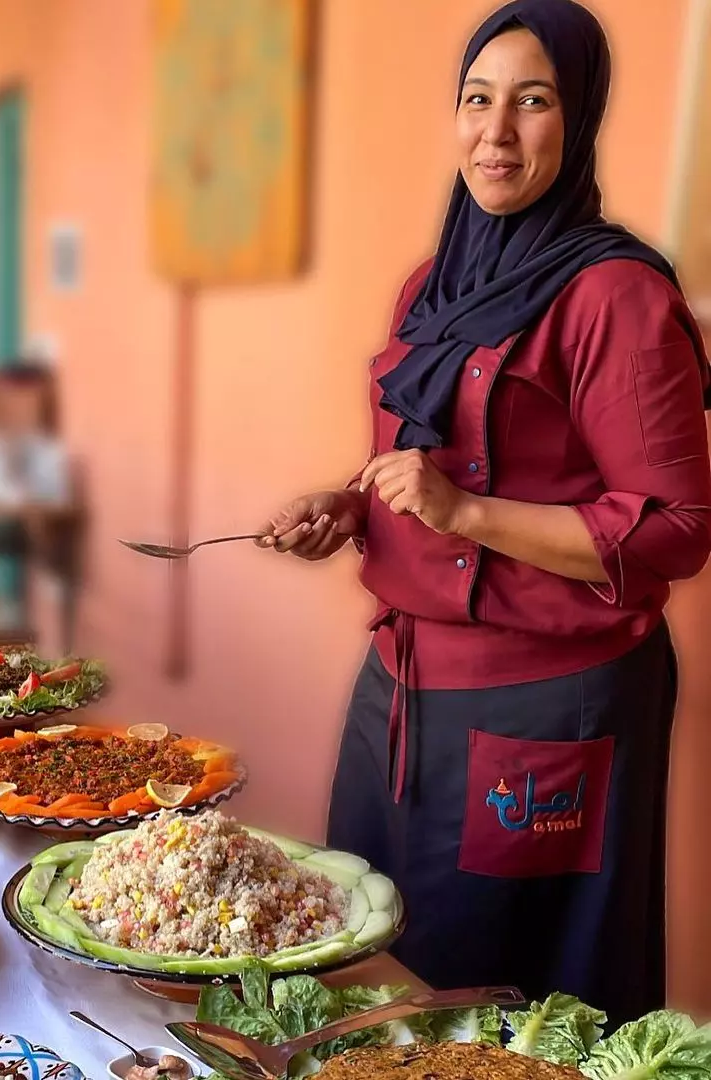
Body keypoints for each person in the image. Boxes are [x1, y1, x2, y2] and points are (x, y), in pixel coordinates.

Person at [258, 0, 711, 1025]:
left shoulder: (615, 297)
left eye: (533, 101)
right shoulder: (434, 286)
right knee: (365, 956)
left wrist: (464, 512)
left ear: (578, 116)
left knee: (493, 1006)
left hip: (543, 710)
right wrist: (351, 506)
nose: (496, 131)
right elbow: (425, 462)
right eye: (477, 99)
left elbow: (677, 525)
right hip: (402, 693)